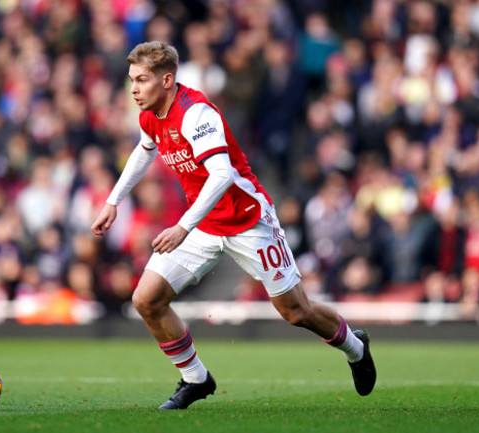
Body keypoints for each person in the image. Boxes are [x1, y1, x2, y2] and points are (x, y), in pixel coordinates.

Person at [91, 41, 376, 410]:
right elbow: (146, 148)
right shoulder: (149, 113)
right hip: (203, 223)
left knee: (295, 311)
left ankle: (355, 347)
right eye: (131, 80)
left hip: (247, 220)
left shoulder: (196, 114)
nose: (133, 88)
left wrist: (181, 226)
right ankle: (196, 379)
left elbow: (222, 174)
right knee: (147, 299)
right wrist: (114, 200)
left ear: (166, 80)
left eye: (141, 80)